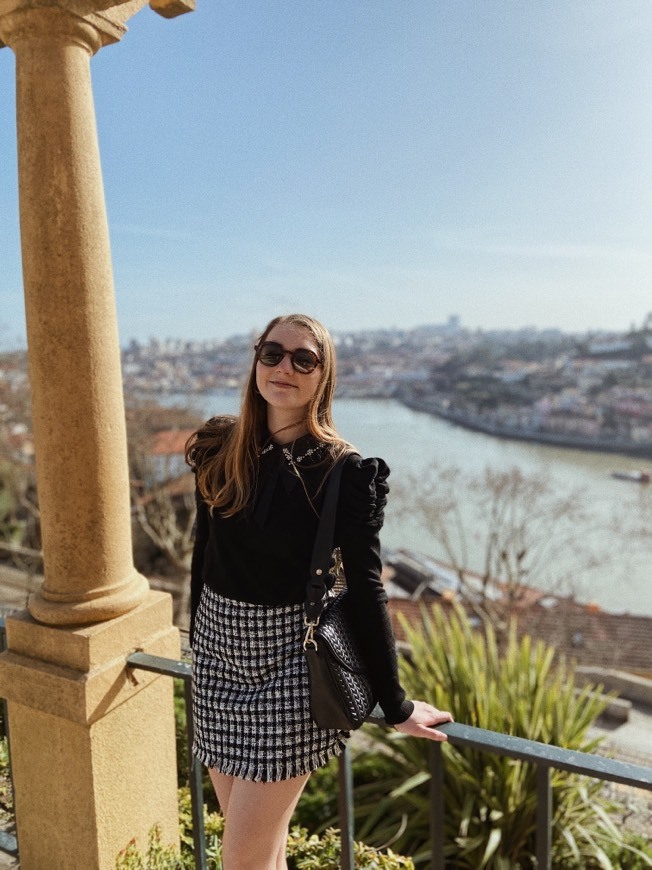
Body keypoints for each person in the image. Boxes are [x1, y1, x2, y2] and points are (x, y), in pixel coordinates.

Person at [185, 313, 453, 870]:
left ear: (322, 377)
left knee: (242, 859)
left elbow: (367, 586)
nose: (284, 367)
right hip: (214, 662)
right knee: (263, 850)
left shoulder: (343, 472)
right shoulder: (219, 448)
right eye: (272, 353)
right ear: (256, 359)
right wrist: (196, 642)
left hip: (290, 669)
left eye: (303, 359)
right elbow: (202, 556)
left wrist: (394, 701)